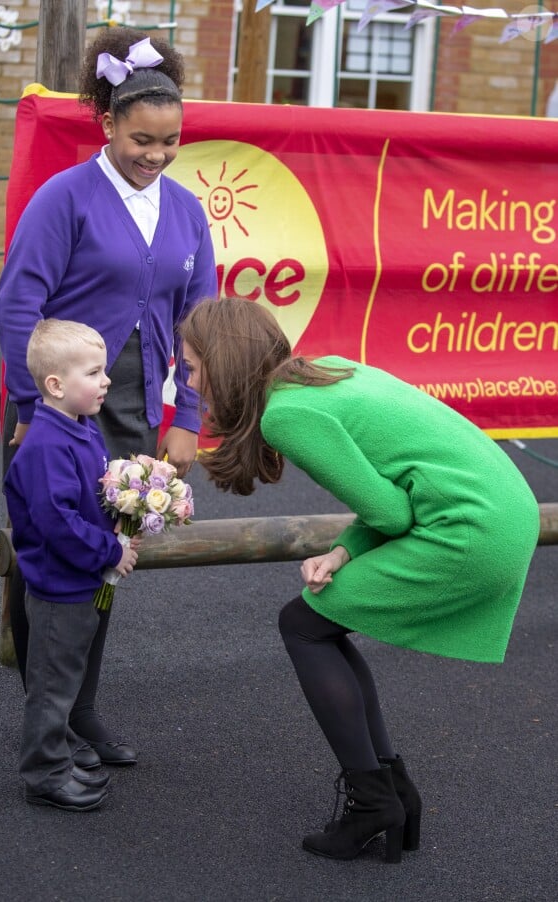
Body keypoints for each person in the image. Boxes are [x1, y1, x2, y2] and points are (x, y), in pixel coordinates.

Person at [178, 296, 540, 863]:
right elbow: (397, 494)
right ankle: (391, 791)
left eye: (194, 366)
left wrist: (348, 546)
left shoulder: (286, 416)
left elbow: (393, 515)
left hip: (471, 530)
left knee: (302, 626)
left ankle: (374, 802)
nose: (191, 381)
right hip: (507, 511)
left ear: (223, 364)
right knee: (318, 624)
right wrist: (345, 551)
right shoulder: (327, 370)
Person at [0, 27, 217, 768]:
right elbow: (17, 307)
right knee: (47, 550)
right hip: (54, 406)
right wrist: (35, 408)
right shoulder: (66, 198)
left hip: (125, 409)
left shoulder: (186, 213)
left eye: (171, 140)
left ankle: (79, 710)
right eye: (141, 139)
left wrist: (187, 418)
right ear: (108, 123)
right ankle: (47, 716)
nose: (155, 155)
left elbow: (198, 324)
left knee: (104, 554)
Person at [4, 320, 141, 810]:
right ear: (56, 385)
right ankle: (44, 773)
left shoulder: (80, 429)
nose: (106, 380)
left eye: (104, 370)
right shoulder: (45, 446)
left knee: (66, 673)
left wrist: (126, 505)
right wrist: (110, 551)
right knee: (52, 683)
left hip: (79, 582)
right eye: (95, 372)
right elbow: (56, 522)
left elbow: (93, 494)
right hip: (60, 586)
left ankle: (59, 752)